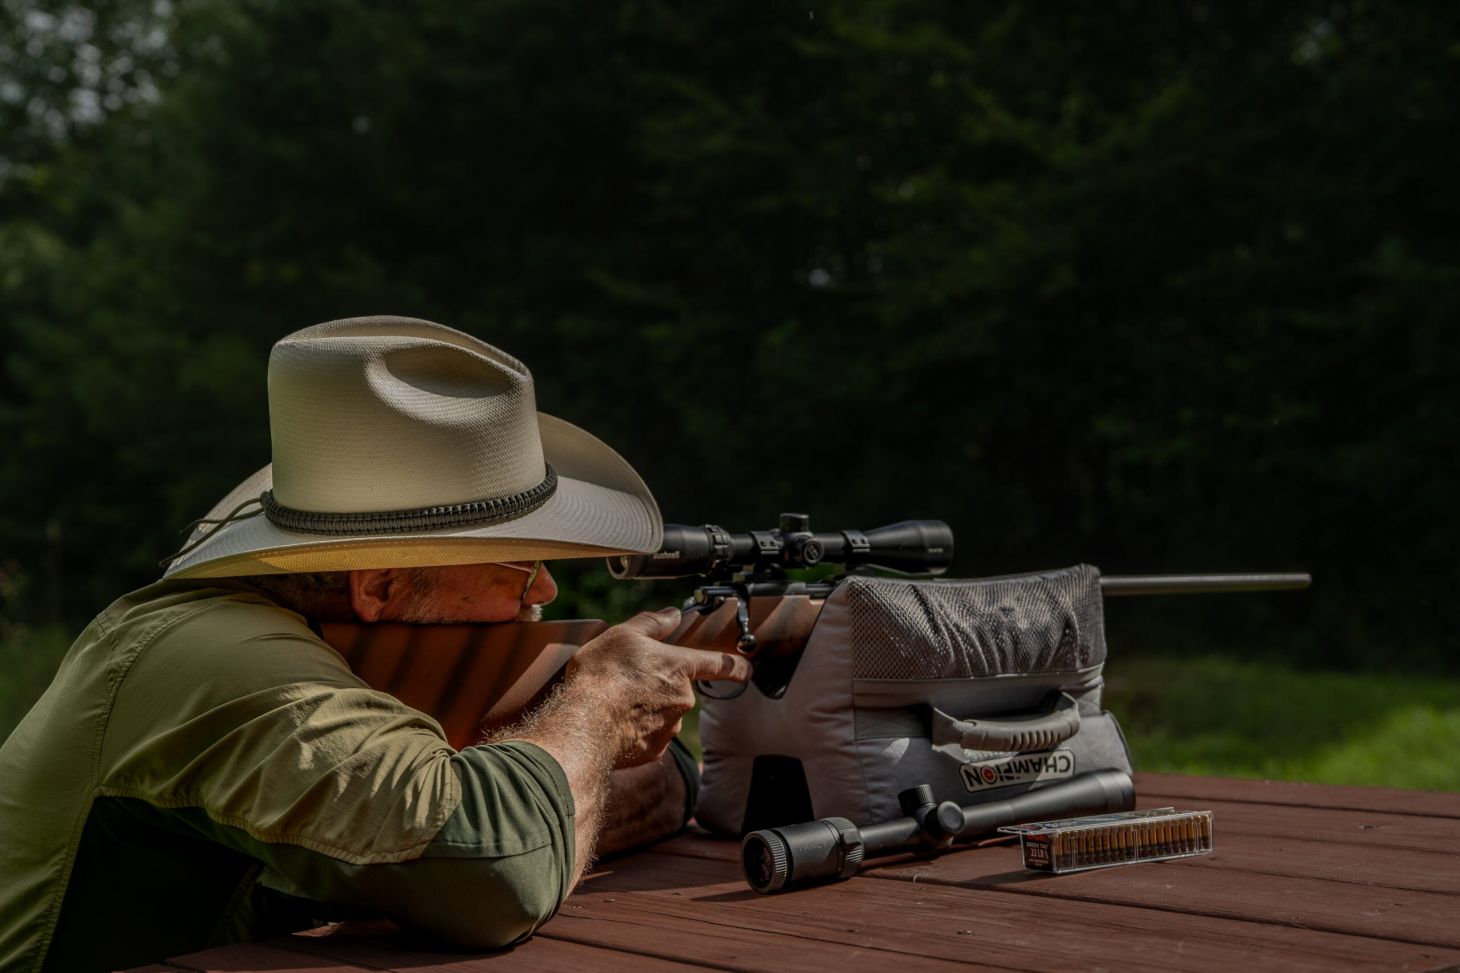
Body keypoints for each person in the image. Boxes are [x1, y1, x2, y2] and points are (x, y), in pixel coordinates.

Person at [0, 316, 749, 972]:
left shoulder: (269, 633)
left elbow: (596, 802)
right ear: (383, 590)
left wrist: (612, 763)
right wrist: (598, 705)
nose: (547, 592)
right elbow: (497, 869)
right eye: (519, 568)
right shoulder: (232, 662)